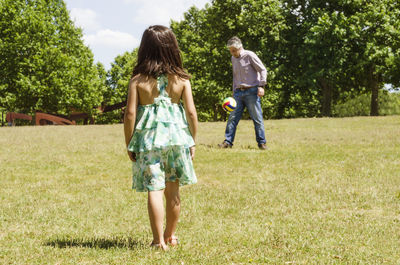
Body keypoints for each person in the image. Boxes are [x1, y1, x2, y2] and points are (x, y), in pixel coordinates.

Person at [124, 25, 198, 250]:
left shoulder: (138, 80)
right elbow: (192, 113)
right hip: (177, 140)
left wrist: (129, 143)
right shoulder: (182, 79)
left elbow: (129, 114)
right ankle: (170, 236)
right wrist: (192, 140)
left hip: (148, 141)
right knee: (173, 190)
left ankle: (158, 242)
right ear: (173, 48)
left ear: (144, 49)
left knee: (154, 190)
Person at [219, 36, 267, 150]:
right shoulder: (233, 58)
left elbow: (262, 69)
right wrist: (233, 91)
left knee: (257, 118)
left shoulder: (250, 55)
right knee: (232, 118)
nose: (232, 53)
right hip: (238, 93)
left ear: (240, 48)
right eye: (230, 51)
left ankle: (262, 143)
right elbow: (235, 76)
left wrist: (261, 85)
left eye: (234, 50)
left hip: (252, 91)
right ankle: (228, 142)